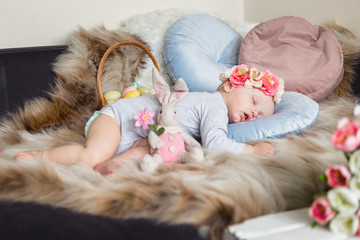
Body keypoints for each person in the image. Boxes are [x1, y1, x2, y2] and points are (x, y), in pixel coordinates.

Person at [16, 64, 284, 174]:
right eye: (254, 101)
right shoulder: (214, 105)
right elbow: (215, 142)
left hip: (140, 134)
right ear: (231, 85)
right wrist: (251, 149)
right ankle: (39, 156)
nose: (254, 114)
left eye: (259, 116)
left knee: (145, 148)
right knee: (91, 156)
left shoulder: (215, 110)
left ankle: (111, 164)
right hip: (118, 118)